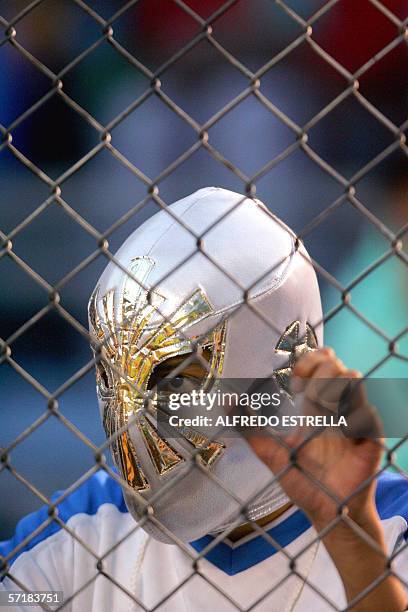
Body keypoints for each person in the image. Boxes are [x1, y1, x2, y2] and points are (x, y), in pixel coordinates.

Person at [1, 187, 407, 611]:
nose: (129, 422)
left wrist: (350, 534)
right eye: (111, 376)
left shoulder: (392, 524)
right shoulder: (88, 526)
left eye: (175, 378)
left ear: (291, 366)